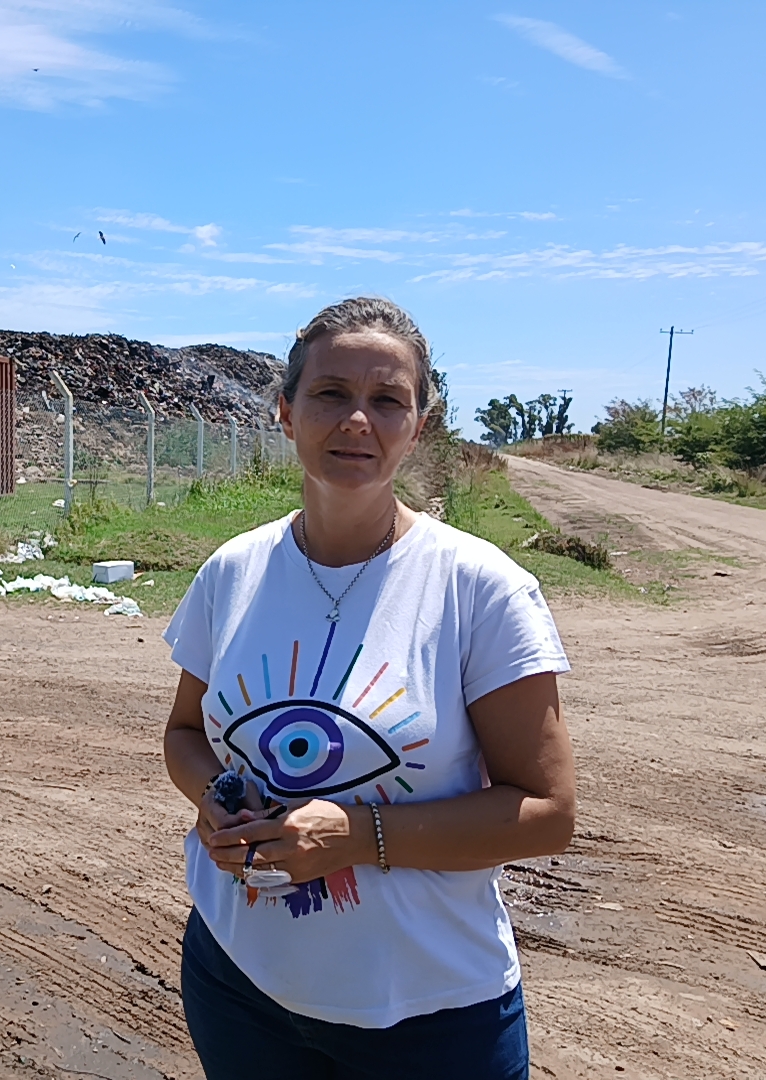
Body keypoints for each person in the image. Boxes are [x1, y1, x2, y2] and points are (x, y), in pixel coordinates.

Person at [162, 297, 575, 1080]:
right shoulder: (233, 572)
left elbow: (547, 814)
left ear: (418, 426)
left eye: (387, 400)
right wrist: (215, 796)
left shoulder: (481, 590)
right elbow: (184, 734)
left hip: (429, 1020)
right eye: (330, 394)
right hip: (238, 986)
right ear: (285, 412)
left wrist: (358, 837)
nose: (357, 419)